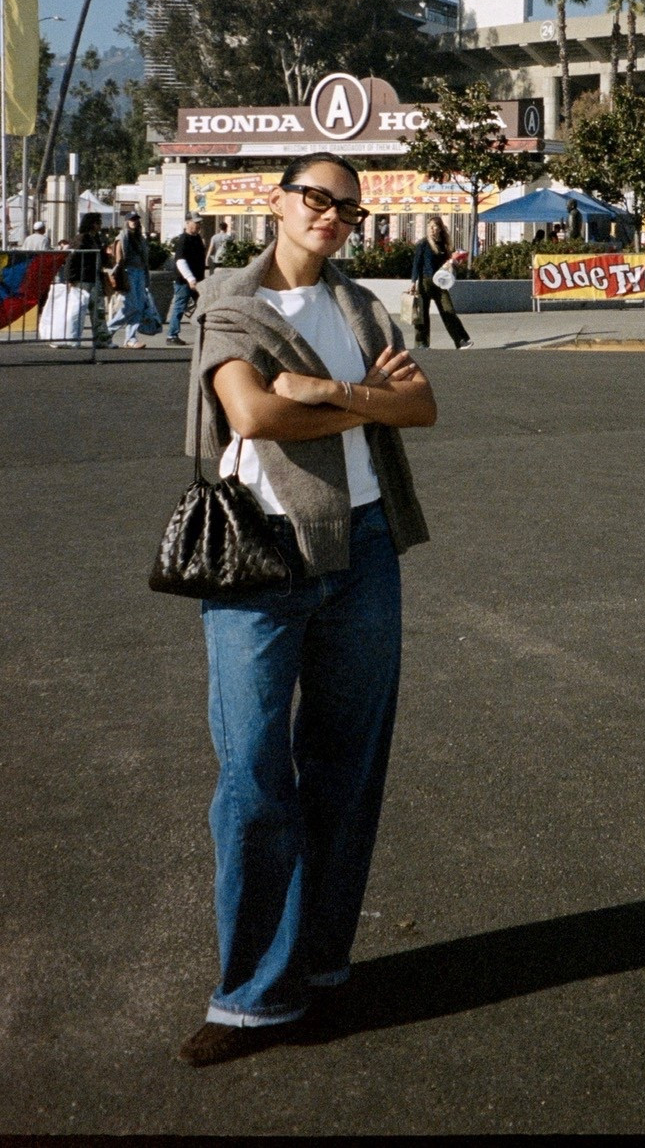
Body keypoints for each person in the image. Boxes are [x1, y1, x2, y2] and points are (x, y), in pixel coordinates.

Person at [177, 150, 436, 1068]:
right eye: (315, 199)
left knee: (346, 771)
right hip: (260, 557)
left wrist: (327, 392)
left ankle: (320, 964)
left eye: (349, 209)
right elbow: (249, 415)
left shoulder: (360, 307)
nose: (331, 216)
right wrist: (370, 404)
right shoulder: (230, 304)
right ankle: (250, 997)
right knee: (253, 778)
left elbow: (423, 406)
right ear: (277, 204)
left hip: (362, 552)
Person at [409, 215, 471, 350]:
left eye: (434, 226)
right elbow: (416, 264)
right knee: (422, 314)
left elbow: (446, 263)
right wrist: (413, 282)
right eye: (429, 227)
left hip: (440, 282)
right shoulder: (423, 244)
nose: (432, 229)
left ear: (440, 228)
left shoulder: (443, 244)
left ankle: (461, 340)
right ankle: (421, 344)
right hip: (425, 282)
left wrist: (454, 261)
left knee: (448, 310)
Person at [111, 211, 152, 349]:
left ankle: (131, 338)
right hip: (128, 272)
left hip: (140, 271)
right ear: (126, 221)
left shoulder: (140, 237)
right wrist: (121, 275)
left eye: (136, 219)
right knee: (131, 306)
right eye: (131, 219)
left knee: (138, 306)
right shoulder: (123, 236)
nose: (134, 221)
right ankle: (108, 330)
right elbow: (118, 257)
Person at [73, 213, 113, 347]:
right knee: (79, 310)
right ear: (91, 223)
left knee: (98, 310)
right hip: (82, 278)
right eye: (98, 222)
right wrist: (71, 278)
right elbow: (72, 257)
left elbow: (102, 257)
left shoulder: (96, 238)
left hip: (95, 277)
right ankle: (73, 338)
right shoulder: (82, 238)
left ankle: (102, 339)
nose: (100, 225)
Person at [166, 215, 207, 345]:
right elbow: (180, 261)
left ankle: (206, 333)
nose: (198, 225)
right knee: (179, 307)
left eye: (199, 223)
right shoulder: (184, 239)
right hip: (185, 281)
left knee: (203, 306)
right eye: (195, 223)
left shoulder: (197, 238)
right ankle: (172, 335)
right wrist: (190, 278)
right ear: (187, 223)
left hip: (198, 279)